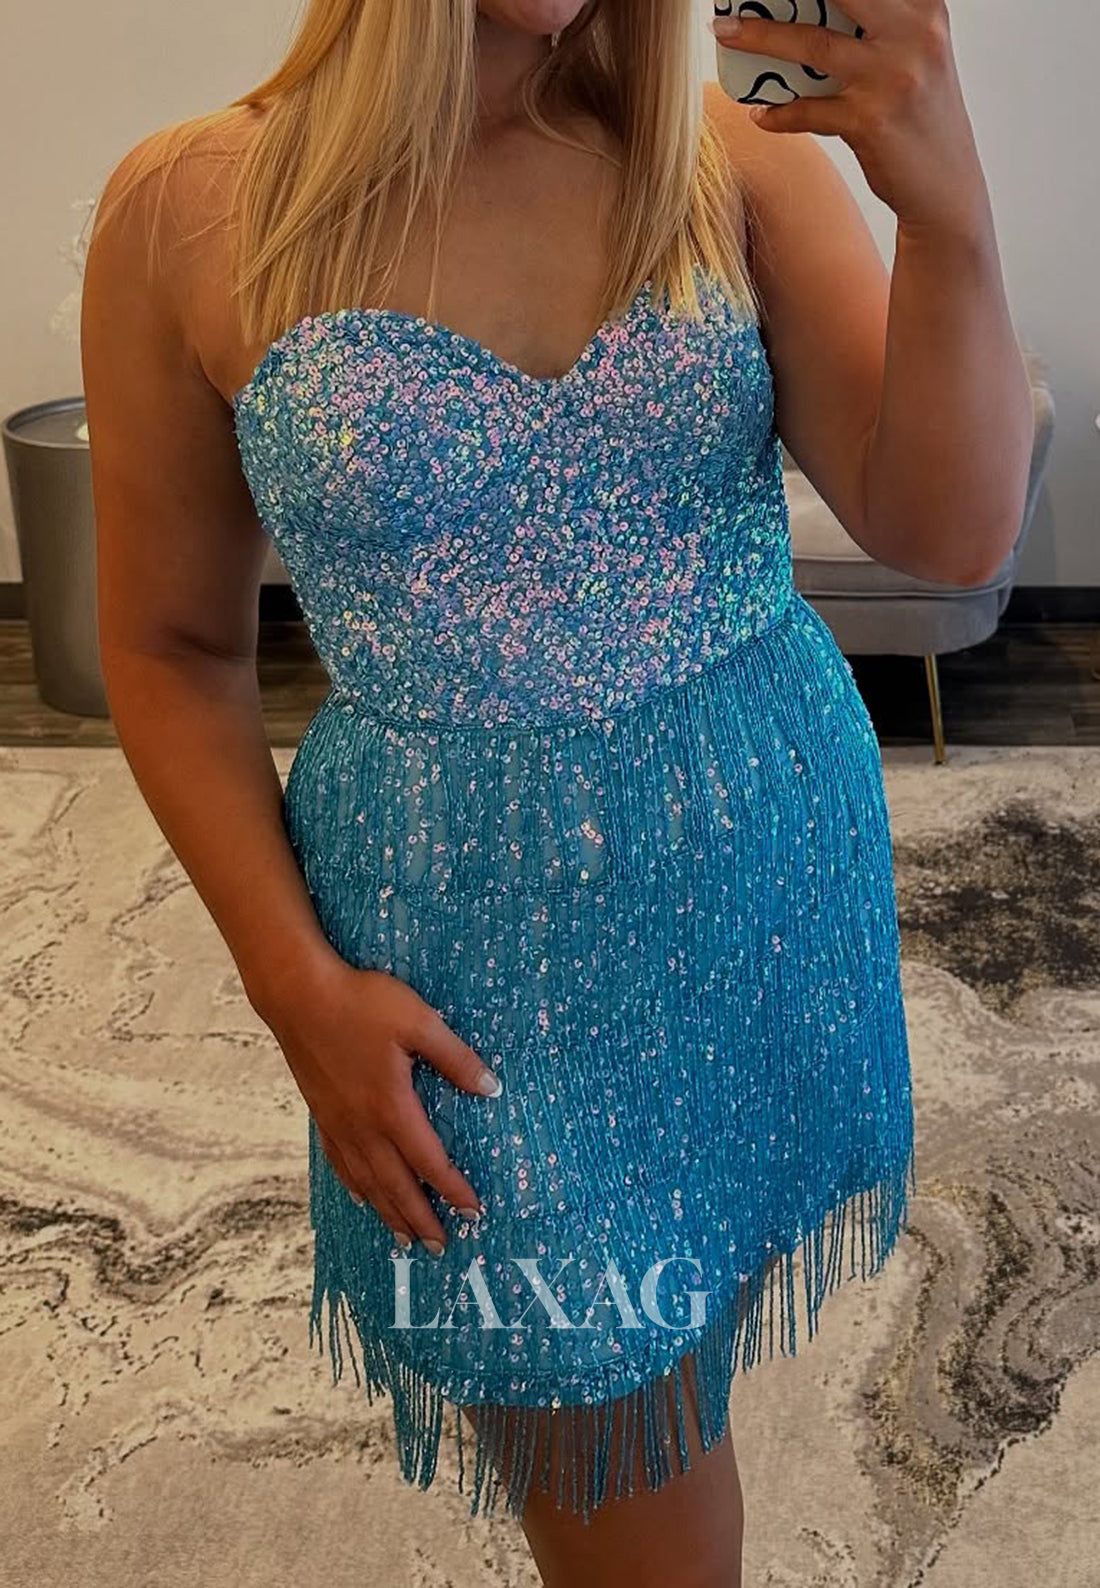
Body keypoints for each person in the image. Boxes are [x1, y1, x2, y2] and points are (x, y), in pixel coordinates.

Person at [80, 2, 1034, 1582]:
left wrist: (948, 212)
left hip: (763, 887)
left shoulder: (727, 165)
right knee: (623, 1479)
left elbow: (953, 532)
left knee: (683, 1359)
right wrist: (293, 989)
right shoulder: (189, 209)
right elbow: (172, 649)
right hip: (471, 969)